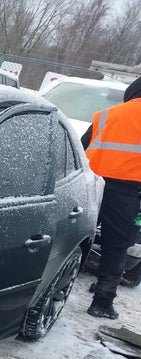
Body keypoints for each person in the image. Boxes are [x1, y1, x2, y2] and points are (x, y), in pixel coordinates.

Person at [81, 75, 141, 319]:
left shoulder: (105, 114)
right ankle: (102, 301)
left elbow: (82, 147)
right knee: (115, 246)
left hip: (90, 184)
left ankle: (58, 282)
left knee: (78, 237)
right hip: (126, 191)